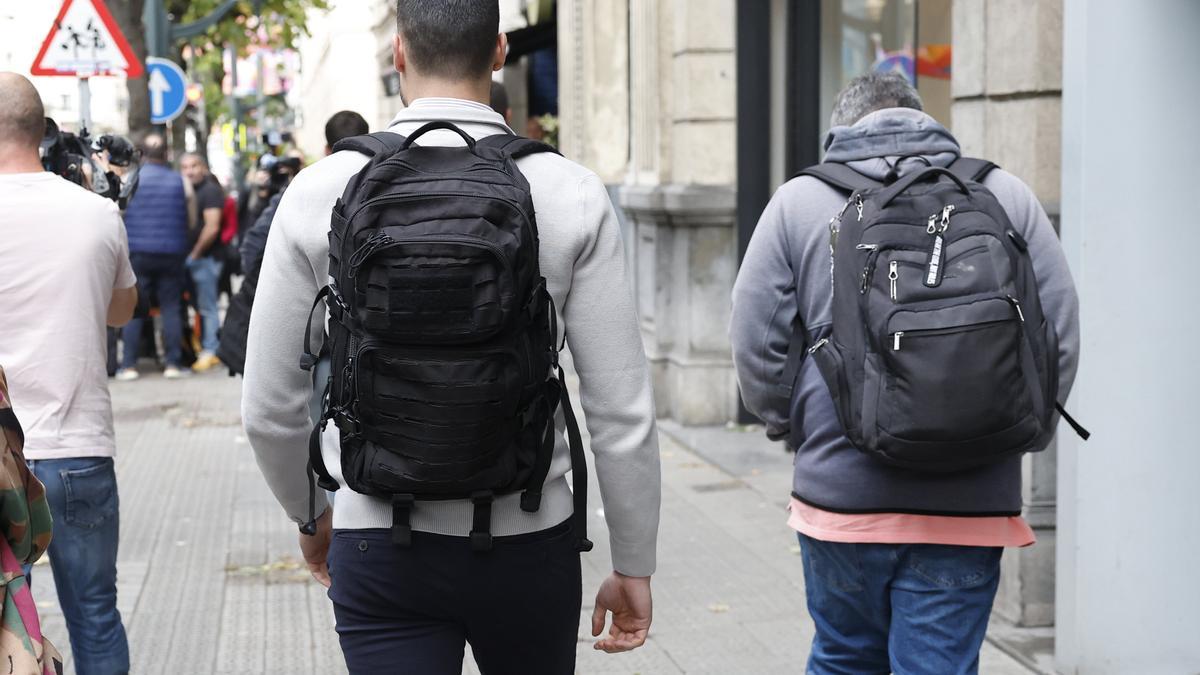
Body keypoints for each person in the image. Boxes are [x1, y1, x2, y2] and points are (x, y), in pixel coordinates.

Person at [241, 2, 660, 672]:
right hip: (529, 538)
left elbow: (268, 406)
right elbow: (621, 409)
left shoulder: (319, 191)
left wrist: (311, 512)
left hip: (378, 537)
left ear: (399, 53)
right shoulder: (571, 191)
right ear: (499, 52)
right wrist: (634, 560)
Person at [730, 72, 1080, 674]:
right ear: (926, 120)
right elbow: (1060, 337)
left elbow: (754, 341)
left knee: (842, 658)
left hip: (840, 497)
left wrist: (792, 426)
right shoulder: (1006, 194)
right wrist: (1023, 433)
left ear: (840, 130)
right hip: (971, 499)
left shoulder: (799, 202)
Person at [0, 72, 135, 675]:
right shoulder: (97, 212)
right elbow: (121, 310)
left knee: (5, 623)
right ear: (43, 129)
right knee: (96, 614)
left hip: (2, 455)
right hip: (77, 447)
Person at [219, 112, 366, 376]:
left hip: (310, 327)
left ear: (326, 148)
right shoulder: (386, 181)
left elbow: (254, 243)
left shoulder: (305, 186)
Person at [115, 133, 195, 381]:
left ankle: (128, 365)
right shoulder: (181, 181)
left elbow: (118, 214)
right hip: (172, 252)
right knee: (171, 307)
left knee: (134, 308)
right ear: (166, 154)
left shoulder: (130, 178)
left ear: (142, 154)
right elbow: (191, 218)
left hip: (138, 252)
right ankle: (172, 364)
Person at [180, 153, 226, 373]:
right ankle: (204, 346)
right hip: (192, 257)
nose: (190, 171)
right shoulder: (187, 191)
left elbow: (212, 227)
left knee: (207, 307)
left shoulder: (210, 191)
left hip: (205, 258)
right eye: (185, 167)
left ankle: (211, 349)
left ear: (204, 167)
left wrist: (195, 255)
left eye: (194, 165)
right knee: (199, 307)